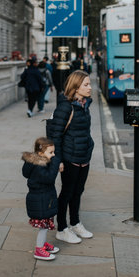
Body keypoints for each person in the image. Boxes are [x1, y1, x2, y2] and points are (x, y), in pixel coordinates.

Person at [47, 70, 94, 244]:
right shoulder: (65, 107)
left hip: (84, 157)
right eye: (86, 84)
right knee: (66, 193)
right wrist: (57, 160)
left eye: (89, 84)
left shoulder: (85, 105)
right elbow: (56, 136)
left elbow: (84, 131)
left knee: (78, 192)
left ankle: (75, 223)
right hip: (69, 158)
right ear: (75, 87)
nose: (90, 87)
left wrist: (89, 145)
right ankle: (62, 229)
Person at [22, 137, 62, 261]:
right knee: (43, 228)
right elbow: (49, 178)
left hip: (43, 199)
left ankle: (43, 244)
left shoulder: (38, 162)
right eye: (51, 153)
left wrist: (52, 160)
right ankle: (39, 250)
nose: (54, 155)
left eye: (54, 152)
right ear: (40, 154)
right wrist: (56, 162)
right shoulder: (40, 167)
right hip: (41, 201)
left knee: (44, 226)